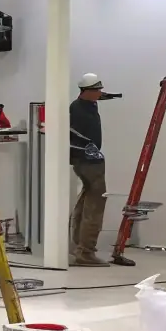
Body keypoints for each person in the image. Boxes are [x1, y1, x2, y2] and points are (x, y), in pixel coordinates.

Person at [69, 73, 111, 266]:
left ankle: (78, 246)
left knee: (85, 204)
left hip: (87, 161)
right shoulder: (77, 110)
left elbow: (101, 96)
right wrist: (90, 150)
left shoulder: (85, 105)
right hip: (87, 162)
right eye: (97, 90)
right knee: (95, 206)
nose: (100, 93)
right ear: (86, 91)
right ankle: (86, 252)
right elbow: (73, 135)